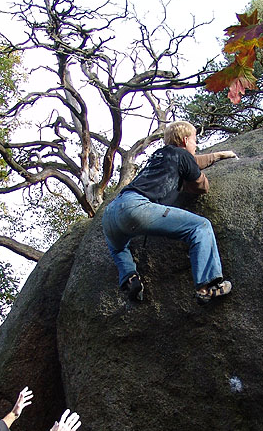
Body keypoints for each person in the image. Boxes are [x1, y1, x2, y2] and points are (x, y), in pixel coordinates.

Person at [102, 120, 237, 304]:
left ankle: (131, 277)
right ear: (184, 140)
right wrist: (189, 182)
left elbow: (193, 162)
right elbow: (202, 186)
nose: (196, 145)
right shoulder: (182, 154)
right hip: (137, 208)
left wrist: (219, 155)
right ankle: (207, 287)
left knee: (118, 248)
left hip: (111, 214)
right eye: (195, 141)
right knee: (200, 226)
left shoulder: (159, 155)